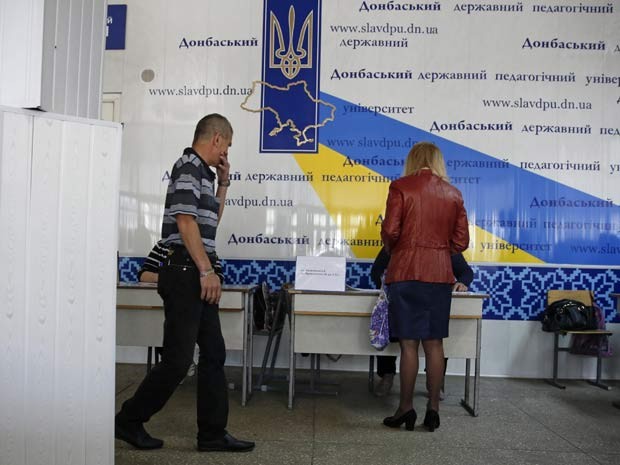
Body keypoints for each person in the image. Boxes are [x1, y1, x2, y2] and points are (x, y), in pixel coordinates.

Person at [115, 114, 255, 452]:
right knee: (178, 361)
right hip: (183, 271)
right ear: (217, 139)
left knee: (214, 352)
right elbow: (185, 222)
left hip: (195, 269)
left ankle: (211, 434)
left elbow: (209, 224)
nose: (226, 154)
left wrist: (223, 183)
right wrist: (206, 271)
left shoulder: (204, 175)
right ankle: (128, 420)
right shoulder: (187, 166)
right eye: (228, 147)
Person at [380, 141, 469, 432]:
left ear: (413, 160)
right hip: (439, 275)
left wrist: (398, 249)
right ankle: (433, 410)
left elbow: (391, 231)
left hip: (405, 272)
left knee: (408, 345)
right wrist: (440, 251)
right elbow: (460, 243)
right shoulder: (453, 194)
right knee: (434, 344)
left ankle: (405, 409)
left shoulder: (401, 187)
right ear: (438, 161)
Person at [370, 247, 473, 398]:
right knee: (388, 329)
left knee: (436, 339)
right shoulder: (397, 243)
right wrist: (386, 282)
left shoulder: (444, 244)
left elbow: (466, 272)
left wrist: (462, 282)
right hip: (403, 300)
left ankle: (435, 384)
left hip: (433, 300)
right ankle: (387, 375)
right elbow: (376, 272)